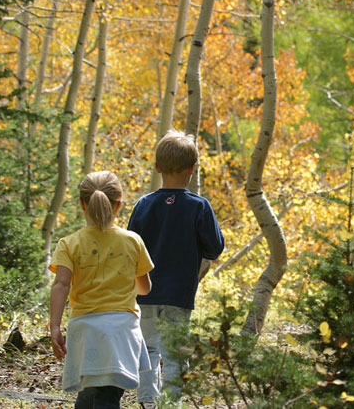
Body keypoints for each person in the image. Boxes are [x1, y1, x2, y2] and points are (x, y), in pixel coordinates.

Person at [129, 129, 225, 407]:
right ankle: (172, 403)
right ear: (193, 170)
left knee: (147, 349)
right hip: (179, 294)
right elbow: (214, 249)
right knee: (174, 352)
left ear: (157, 167)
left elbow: (129, 247)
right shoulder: (199, 207)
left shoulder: (144, 204)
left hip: (144, 292)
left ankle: (147, 400)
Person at [49, 171, 154, 409]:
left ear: (82, 204)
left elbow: (61, 285)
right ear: (119, 205)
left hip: (85, 330)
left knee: (88, 393)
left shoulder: (68, 243)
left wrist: (55, 326)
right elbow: (145, 288)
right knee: (108, 395)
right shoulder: (133, 241)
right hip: (120, 332)